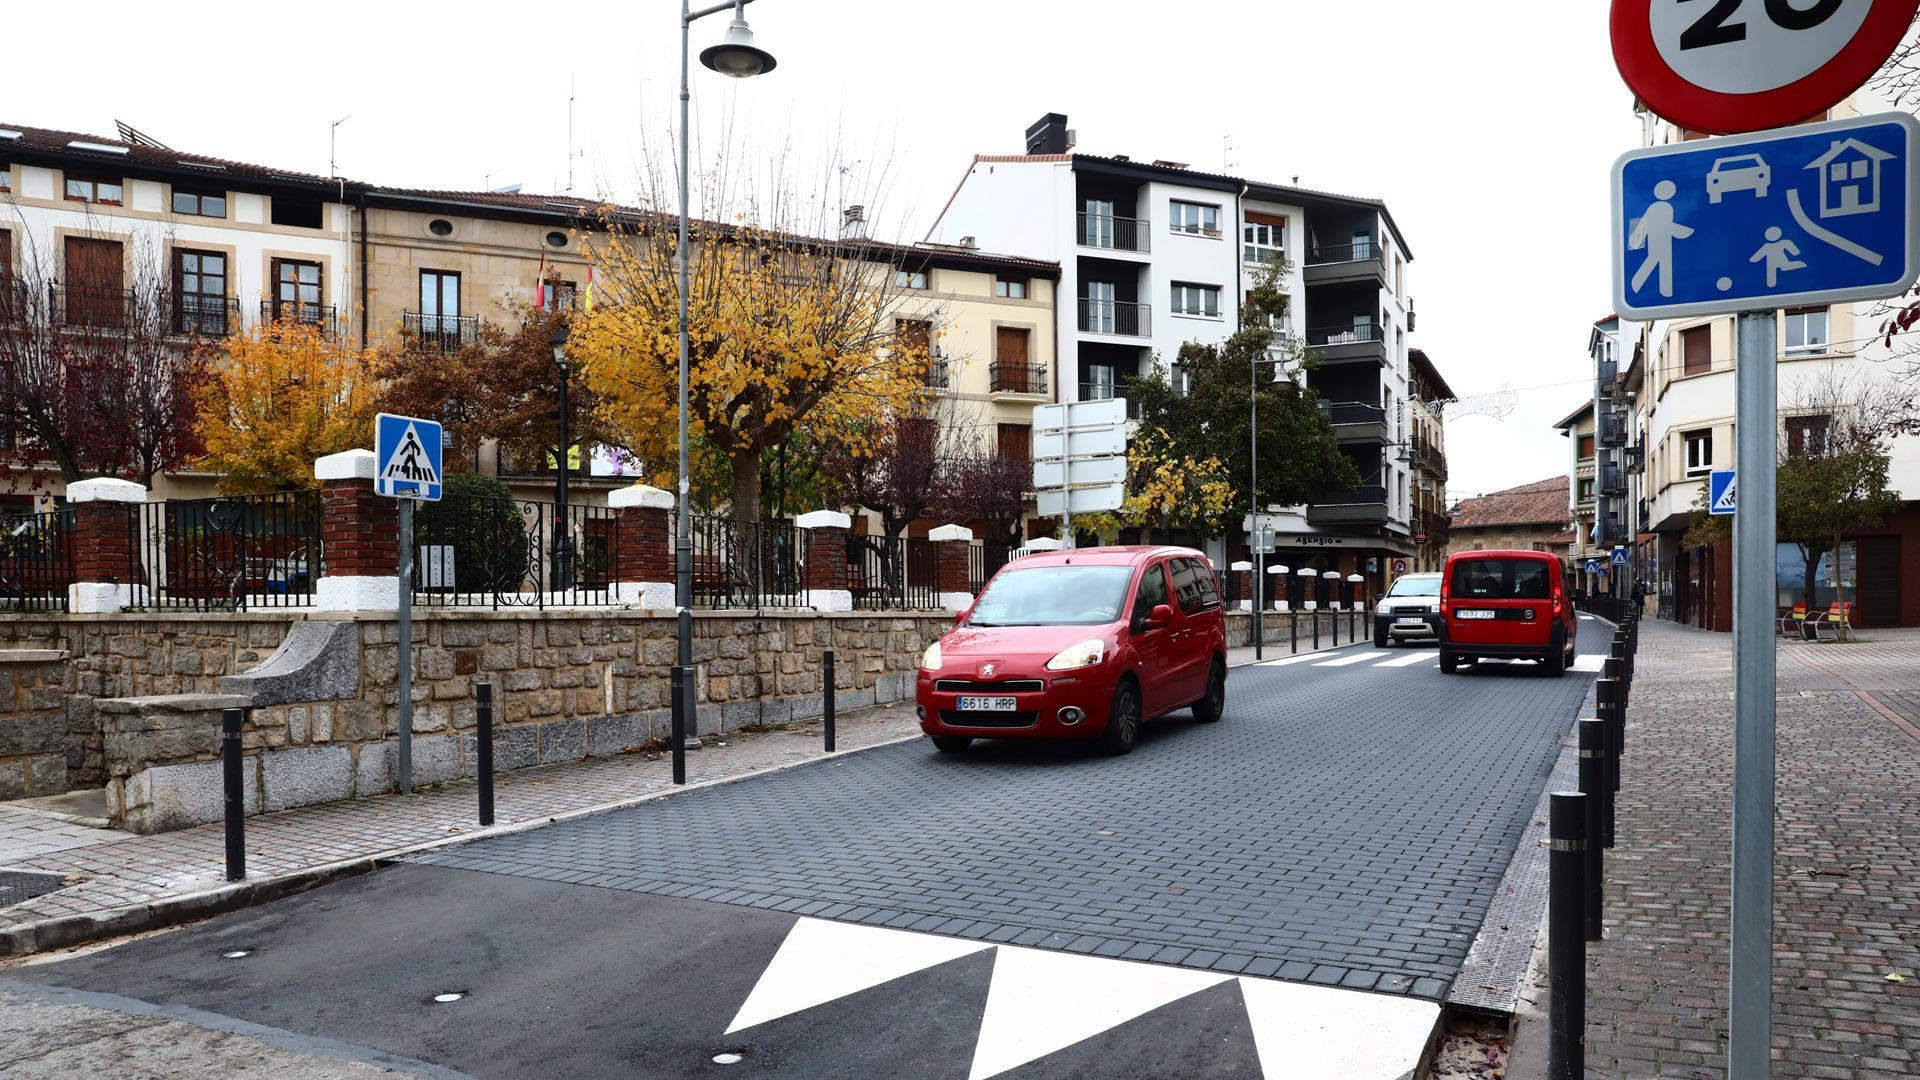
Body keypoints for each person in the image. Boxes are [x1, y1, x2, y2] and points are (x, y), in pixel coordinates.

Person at [1629, 180, 1693, 298]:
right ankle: (1636, 285)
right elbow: (1647, 224)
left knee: (1663, 263)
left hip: (1665, 240)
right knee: (1655, 260)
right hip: (1658, 240)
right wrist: (1681, 231)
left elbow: (1664, 224)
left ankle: (1665, 291)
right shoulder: (1660, 207)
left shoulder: (1665, 207)